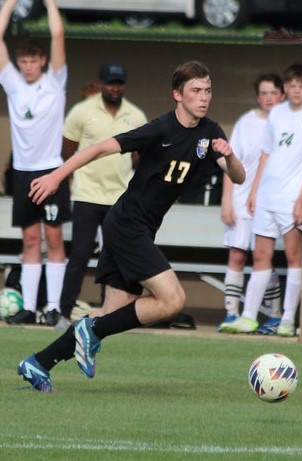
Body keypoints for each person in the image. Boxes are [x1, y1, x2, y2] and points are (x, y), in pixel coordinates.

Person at [16, 60, 246, 392]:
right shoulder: (160, 129)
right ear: (177, 95)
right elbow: (99, 148)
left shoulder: (211, 133)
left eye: (208, 90)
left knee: (110, 316)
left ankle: (38, 364)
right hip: (127, 225)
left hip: (139, 228)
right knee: (172, 301)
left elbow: (238, 177)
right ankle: (87, 332)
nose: (204, 97)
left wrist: (230, 155)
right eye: (196, 90)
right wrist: (56, 175)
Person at [220, 62, 302, 337]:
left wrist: (301, 200)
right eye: (291, 86)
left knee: (292, 256)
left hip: (290, 199)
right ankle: (248, 316)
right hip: (266, 196)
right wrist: (255, 191)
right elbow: (266, 153)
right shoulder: (276, 114)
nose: (296, 90)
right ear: (285, 88)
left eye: (301, 86)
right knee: (261, 256)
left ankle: (287, 319)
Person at [53, 63, 147, 328]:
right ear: (102, 83)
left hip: (119, 197)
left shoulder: (135, 115)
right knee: (80, 254)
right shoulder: (82, 111)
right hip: (86, 194)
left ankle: (108, 315)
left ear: (124, 85)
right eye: (109, 83)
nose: (114, 88)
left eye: (118, 83)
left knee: (113, 257)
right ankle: (63, 312)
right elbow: (67, 150)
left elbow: (140, 157)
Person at [0, 0, 70, 326]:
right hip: (22, 173)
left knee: (53, 239)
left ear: (43, 62)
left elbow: (58, 35)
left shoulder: (55, 81)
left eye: (33, 61)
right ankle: (28, 307)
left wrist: (49, 2)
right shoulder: (13, 83)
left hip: (51, 170)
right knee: (29, 240)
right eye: (23, 61)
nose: (28, 66)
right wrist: (10, 3)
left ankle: (53, 307)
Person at [218, 72, 285, 334]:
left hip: (270, 202)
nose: (269, 98)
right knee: (236, 254)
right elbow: (229, 162)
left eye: (273, 93)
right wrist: (227, 201)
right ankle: (232, 314)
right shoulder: (245, 122)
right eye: (264, 93)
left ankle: (274, 315)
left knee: (263, 256)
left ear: (282, 95)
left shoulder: (286, 123)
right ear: (258, 96)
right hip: (240, 198)